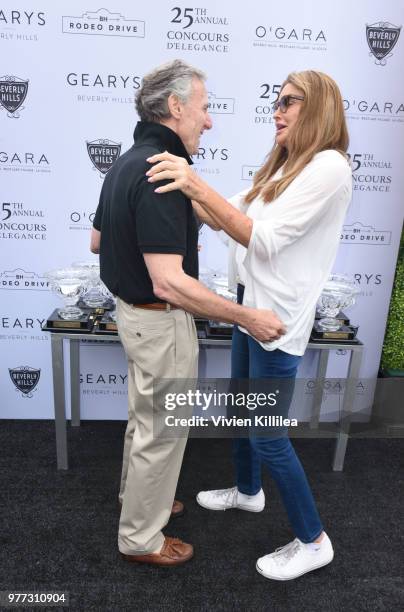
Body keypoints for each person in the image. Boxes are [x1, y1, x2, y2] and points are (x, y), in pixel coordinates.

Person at [145, 69, 352, 579]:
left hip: (276, 319)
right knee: (243, 408)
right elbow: (224, 215)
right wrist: (171, 188)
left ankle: (314, 539)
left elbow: (261, 239)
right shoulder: (282, 166)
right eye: (276, 102)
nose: (276, 111)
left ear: (319, 106)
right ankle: (248, 491)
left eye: (288, 101)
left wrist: (192, 180)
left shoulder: (328, 167)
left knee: (266, 435)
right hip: (249, 302)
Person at [90, 59, 284, 568]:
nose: (210, 121)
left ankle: (141, 501)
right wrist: (249, 318)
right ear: (175, 108)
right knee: (164, 429)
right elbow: (169, 281)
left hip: (133, 318)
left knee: (144, 422)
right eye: (205, 108)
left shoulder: (127, 162)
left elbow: (97, 241)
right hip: (159, 321)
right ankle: (141, 538)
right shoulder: (161, 172)